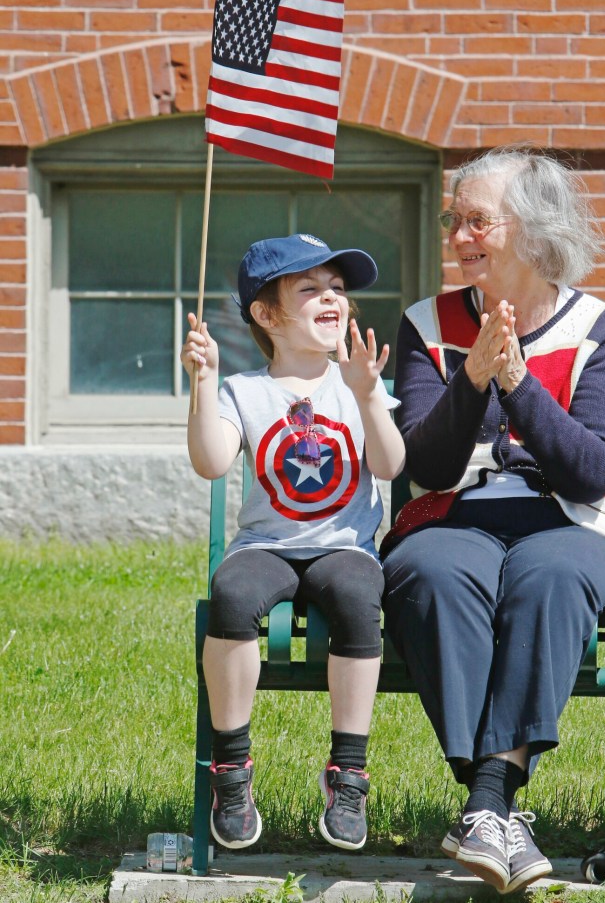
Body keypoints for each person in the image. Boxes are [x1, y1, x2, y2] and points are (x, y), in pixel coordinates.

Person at [380, 146, 605, 894]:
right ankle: (495, 808)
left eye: (475, 221)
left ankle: (484, 803)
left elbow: (595, 469)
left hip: (570, 523)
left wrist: (519, 383)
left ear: (530, 229)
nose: (459, 237)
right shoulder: (426, 323)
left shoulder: (599, 327)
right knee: (428, 570)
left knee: (548, 575)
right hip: (451, 515)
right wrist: (469, 376)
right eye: (452, 221)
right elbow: (422, 465)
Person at [181, 233, 405, 854]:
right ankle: (232, 768)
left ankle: (349, 772)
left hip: (345, 546)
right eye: (310, 289)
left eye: (338, 288)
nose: (332, 298)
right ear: (266, 314)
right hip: (267, 545)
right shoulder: (245, 392)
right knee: (231, 594)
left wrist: (367, 396)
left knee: (361, 598)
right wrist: (203, 382)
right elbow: (210, 461)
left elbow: (389, 465)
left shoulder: (358, 385)